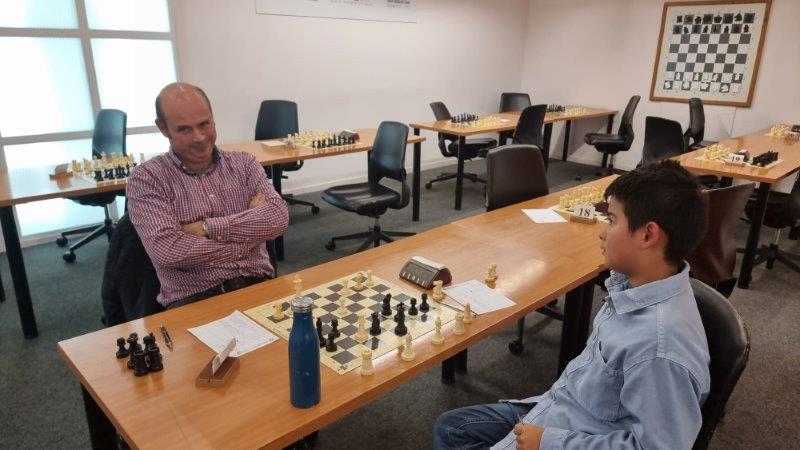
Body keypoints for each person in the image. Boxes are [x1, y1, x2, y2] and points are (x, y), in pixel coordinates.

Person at [434, 160, 711, 449]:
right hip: (564, 409)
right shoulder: (633, 286)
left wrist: (548, 442)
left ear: (648, 235)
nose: (602, 232)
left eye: (612, 220)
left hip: (569, 435)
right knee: (451, 428)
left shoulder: (659, 347)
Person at [127, 82, 289, 308]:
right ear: (163, 128)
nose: (200, 137)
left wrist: (206, 228)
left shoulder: (245, 164)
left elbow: (278, 218)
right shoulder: (147, 179)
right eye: (185, 129)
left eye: (204, 124)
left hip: (258, 282)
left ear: (213, 118)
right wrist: (250, 238)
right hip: (195, 296)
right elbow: (169, 251)